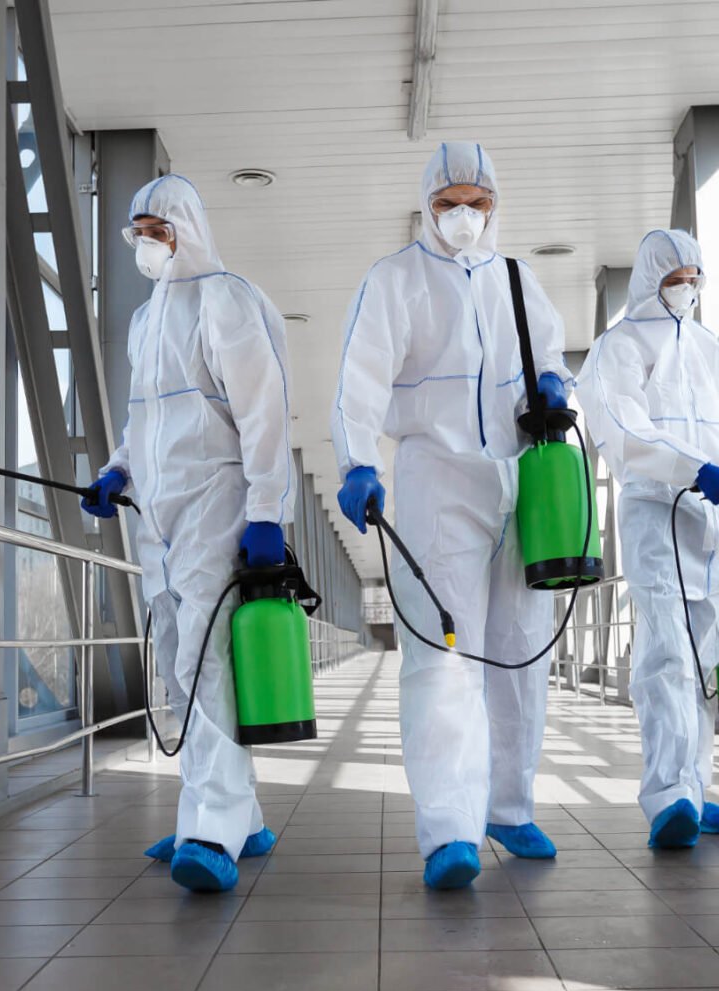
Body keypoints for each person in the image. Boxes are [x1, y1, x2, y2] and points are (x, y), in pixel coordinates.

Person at [331, 142, 572, 889]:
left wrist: (558, 386)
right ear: (427, 205)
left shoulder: (517, 279)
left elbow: (552, 355)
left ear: (495, 204)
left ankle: (510, 804)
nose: (463, 216)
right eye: (448, 203)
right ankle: (448, 830)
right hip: (437, 477)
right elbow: (359, 379)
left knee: (520, 646)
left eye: (476, 202)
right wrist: (355, 461)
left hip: (519, 477)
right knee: (441, 654)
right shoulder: (395, 280)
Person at [82, 174, 295, 892]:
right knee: (178, 657)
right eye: (138, 231)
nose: (146, 243)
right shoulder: (146, 319)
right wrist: (118, 471)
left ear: (188, 230)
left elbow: (264, 412)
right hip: (161, 512)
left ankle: (215, 827)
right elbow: (146, 418)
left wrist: (267, 509)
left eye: (158, 229)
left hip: (216, 497)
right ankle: (234, 809)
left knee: (209, 659)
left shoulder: (224, 298)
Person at [575, 229, 719, 849]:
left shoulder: (710, 348)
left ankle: (695, 788)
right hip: (660, 518)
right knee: (667, 659)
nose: (687, 288)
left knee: (705, 663)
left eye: (694, 278)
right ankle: (668, 796)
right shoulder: (618, 346)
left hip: (718, 527)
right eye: (676, 277)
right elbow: (625, 432)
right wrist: (690, 469)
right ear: (652, 277)